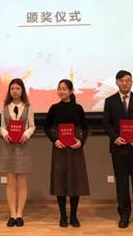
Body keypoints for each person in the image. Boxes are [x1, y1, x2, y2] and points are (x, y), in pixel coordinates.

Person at [103, 70, 133, 229]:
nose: (125, 83)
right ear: (117, 82)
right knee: (121, 183)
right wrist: (115, 137)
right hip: (119, 148)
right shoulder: (110, 101)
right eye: (122, 80)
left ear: (131, 82)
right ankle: (124, 214)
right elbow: (107, 123)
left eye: (128, 80)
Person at [44, 79, 90, 228]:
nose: (61, 91)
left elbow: (86, 128)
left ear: (71, 91)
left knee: (75, 181)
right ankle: (63, 216)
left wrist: (81, 142)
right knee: (60, 181)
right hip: (60, 148)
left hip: (75, 148)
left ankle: (74, 216)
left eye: (64, 89)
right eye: (59, 88)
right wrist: (55, 140)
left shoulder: (78, 108)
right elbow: (46, 128)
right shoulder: (54, 108)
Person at [0, 78, 36, 227]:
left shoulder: (28, 107)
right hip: (8, 147)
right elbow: (2, 126)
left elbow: (32, 126)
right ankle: (12, 214)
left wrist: (26, 134)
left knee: (22, 182)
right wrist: (4, 134)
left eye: (18, 89)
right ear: (9, 91)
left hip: (22, 146)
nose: (15, 91)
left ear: (22, 91)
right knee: (10, 182)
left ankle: (19, 214)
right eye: (12, 89)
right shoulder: (4, 107)